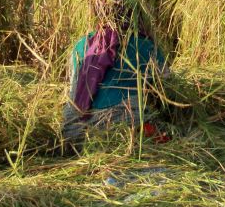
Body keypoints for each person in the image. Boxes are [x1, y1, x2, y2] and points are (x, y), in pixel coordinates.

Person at [62, 12, 169, 149]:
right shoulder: (145, 46)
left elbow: (72, 86)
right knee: (164, 130)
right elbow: (167, 86)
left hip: (74, 133)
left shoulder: (81, 44)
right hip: (122, 131)